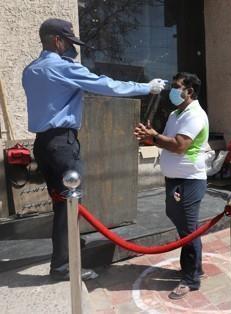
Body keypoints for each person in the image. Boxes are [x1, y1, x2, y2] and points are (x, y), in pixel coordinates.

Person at [22, 18, 165, 281]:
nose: (71, 48)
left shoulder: (31, 69)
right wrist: (147, 87)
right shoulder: (61, 68)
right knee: (70, 203)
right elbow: (106, 84)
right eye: (69, 42)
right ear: (57, 40)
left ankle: (70, 246)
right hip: (63, 143)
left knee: (61, 204)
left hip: (43, 144)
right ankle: (63, 267)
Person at [134, 72, 209, 300]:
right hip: (175, 179)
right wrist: (150, 137)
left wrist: (154, 137)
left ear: (190, 92)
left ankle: (191, 278)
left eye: (177, 87)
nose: (173, 92)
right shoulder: (177, 113)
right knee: (181, 221)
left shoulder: (195, 115)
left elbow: (179, 146)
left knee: (188, 228)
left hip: (190, 179)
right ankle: (194, 266)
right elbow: (164, 140)